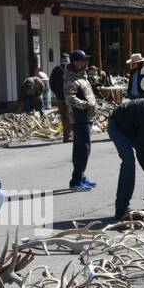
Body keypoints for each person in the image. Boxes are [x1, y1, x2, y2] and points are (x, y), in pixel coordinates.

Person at [64, 49, 96, 191]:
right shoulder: (71, 78)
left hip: (85, 117)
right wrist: (86, 105)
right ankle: (76, 181)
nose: (85, 62)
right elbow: (70, 98)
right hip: (79, 118)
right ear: (76, 62)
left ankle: (80, 177)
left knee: (82, 149)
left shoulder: (81, 76)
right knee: (82, 150)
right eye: (83, 60)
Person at [49, 54, 71, 142]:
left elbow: (51, 84)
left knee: (64, 117)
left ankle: (67, 136)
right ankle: (67, 137)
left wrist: (57, 93)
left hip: (60, 98)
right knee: (68, 117)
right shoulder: (69, 70)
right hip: (67, 97)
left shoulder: (56, 69)